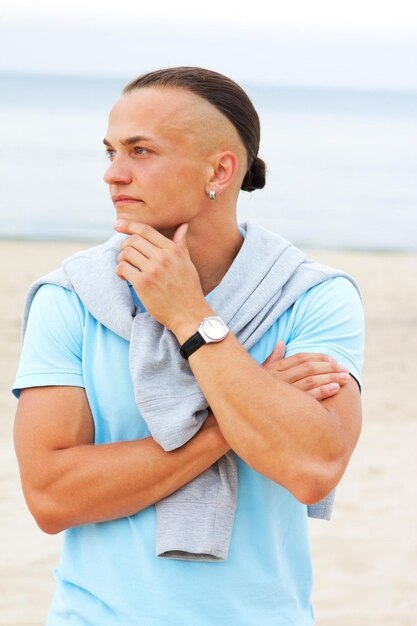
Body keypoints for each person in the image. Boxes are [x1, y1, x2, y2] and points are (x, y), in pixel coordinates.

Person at [13, 67, 364, 625]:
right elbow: (53, 498)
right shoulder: (71, 297)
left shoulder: (313, 297)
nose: (112, 174)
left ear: (219, 169)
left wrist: (191, 318)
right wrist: (230, 424)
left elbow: (313, 466)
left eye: (141, 151)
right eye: (109, 151)